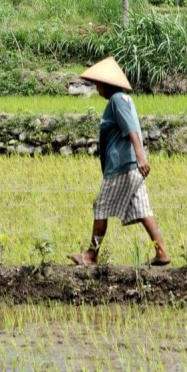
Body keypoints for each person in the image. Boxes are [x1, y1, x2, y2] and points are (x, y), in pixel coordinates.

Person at [69, 57, 171, 266]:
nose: (97, 89)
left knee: (101, 206)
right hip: (133, 167)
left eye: (98, 84)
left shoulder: (117, 100)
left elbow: (130, 127)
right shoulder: (124, 100)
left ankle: (91, 255)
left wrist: (140, 155)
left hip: (123, 166)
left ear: (106, 84)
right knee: (143, 210)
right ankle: (162, 253)